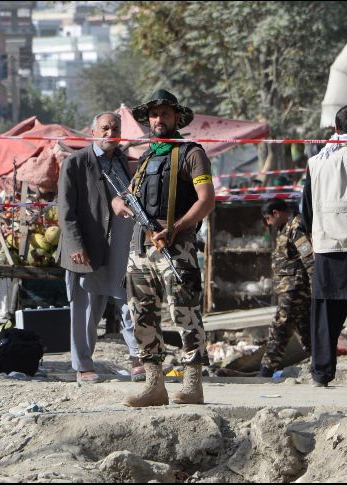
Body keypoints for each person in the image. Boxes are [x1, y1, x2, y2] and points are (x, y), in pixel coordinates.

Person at [113, 90, 215, 407]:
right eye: (154, 115)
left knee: (184, 313)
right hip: (141, 250)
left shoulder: (191, 152)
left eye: (165, 114)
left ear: (176, 118)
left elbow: (206, 200)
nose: (159, 120)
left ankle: (193, 384)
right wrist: (118, 202)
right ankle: (154, 384)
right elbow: (127, 196)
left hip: (177, 247)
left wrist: (177, 228)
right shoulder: (145, 158)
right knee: (142, 316)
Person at [57, 112, 138, 383]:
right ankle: (83, 366)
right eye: (104, 128)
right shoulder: (76, 163)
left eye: (115, 129)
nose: (109, 133)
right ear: (93, 132)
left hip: (120, 247)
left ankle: (138, 358)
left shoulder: (123, 162)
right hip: (87, 247)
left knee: (127, 302)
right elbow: (66, 212)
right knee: (86, 308)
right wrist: (75, 245)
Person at [302, 104, 347, 387]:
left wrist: (316, 237)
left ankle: (321, 374)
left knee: (325, 314)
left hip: (328, 246)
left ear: (337, 129)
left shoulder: (317, 161)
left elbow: (307, 210)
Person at [258, 199, 314, 377]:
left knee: (280, 326)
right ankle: (322, 363)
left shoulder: (295, 227)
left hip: (296, 288)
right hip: (290, 286)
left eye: (268, 218)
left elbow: (308, 256)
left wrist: (315, 284)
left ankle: (266, 370)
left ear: (276, 213)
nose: (268, 223)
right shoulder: (285, 227)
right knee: (306, 329)